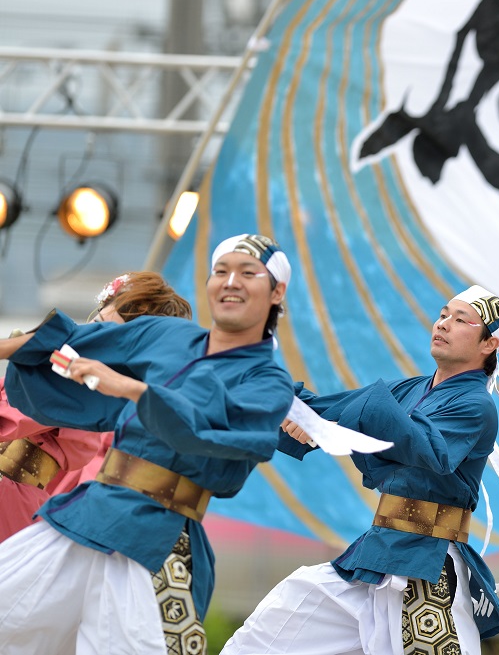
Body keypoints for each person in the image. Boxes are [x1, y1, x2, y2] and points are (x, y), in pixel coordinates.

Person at [0, 233, 295, 655]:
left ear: (276, 291)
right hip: (85, 515)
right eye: (221, 271)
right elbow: (67, 344)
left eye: (248, 273)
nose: (231, 282)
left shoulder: (267, 383)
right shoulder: (166, 335)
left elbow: (215, 439)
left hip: (155, 537)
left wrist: (133, 390)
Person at [222, 284, 499, 655]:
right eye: (443, 314)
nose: (442, 324)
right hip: (376, 555)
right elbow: (337, 407)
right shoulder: (410, 389)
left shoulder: (475, 405)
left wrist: (340, 421)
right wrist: (281, 400)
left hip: (425, 564)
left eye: (460, 320)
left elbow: (424, 447)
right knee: (265, 637)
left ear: (488, 344)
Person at [0, 271, 193, 543]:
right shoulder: (70, 367)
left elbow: (15, 416)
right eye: (96, 323)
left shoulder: (87, 388)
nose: (92, 336)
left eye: (109, 336)